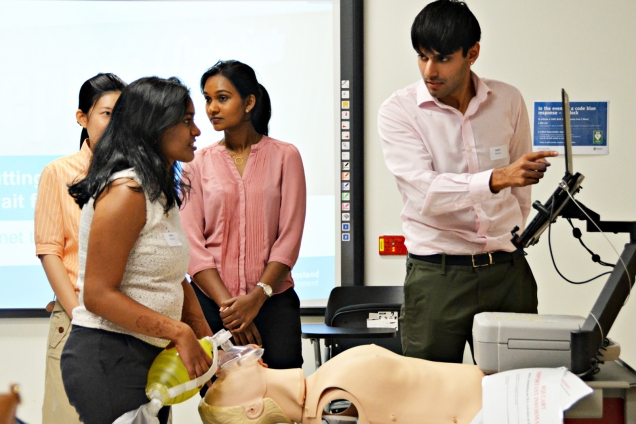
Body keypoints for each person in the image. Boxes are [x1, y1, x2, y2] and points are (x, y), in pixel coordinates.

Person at [378, 0, 559, 363]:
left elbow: (521, 186)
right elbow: (425, 193)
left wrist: (510, 233)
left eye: (443, 58)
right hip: (437, 276)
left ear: (472, 53)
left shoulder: (507, 100)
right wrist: (496, 178)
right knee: (430, 398)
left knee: (518, 389)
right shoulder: (398, 111)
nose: (430, 70)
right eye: (422, 57)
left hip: (507, 273)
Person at [60, 76, 213, 424]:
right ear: (154, 127)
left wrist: (209, 338)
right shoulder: (125, 193)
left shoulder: (156, 190)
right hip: (109, 356)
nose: (197, 132)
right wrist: (177, 330)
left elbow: (173, 278)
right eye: (186, 121)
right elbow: (98, 295)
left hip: (146, 354)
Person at [180, 60, 306, 370]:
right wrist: (230, 309)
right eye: (207, 99)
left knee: (281, 403)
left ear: (249, 102)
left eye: (222, 98)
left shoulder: (285, 156)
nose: (211, 108)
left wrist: (257, 297)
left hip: (273, 304)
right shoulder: (195, 163)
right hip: (212, 308)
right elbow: (193, 245)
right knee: (223, 407)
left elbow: (289, 237)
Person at [34, 72, 126, 424]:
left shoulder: (136, 174)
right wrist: (79, 315)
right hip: (77, 319)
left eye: (122, 114)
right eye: (106, 113)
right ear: (82, 117)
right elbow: (50, 251)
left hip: (129, 322)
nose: (115, 123)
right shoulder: (58, 173)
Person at [199, 344, 485, 424]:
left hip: (495, 392)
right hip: (497, 407)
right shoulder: (328, 398)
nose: (223, 368)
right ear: (252, 409)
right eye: (219, 382)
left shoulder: (326, 391)